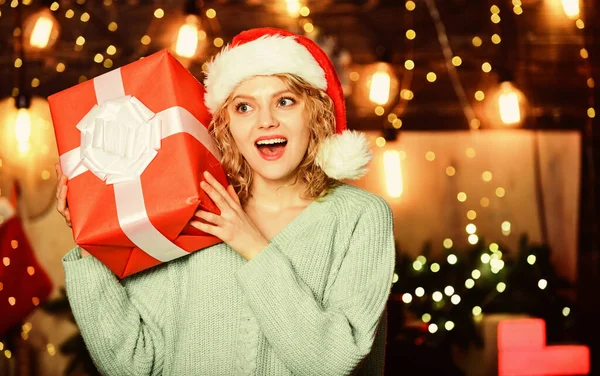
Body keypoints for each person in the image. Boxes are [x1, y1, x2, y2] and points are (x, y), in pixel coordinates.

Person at [55, 27, 395, 376]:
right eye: (244, 107)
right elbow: (132, 363)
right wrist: (90, 239)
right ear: (225, 124)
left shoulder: (361, 217)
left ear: (315, 114)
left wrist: (251, 245)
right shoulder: (191, 210)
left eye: (285, 101)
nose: (266, 121)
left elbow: (332, 361)